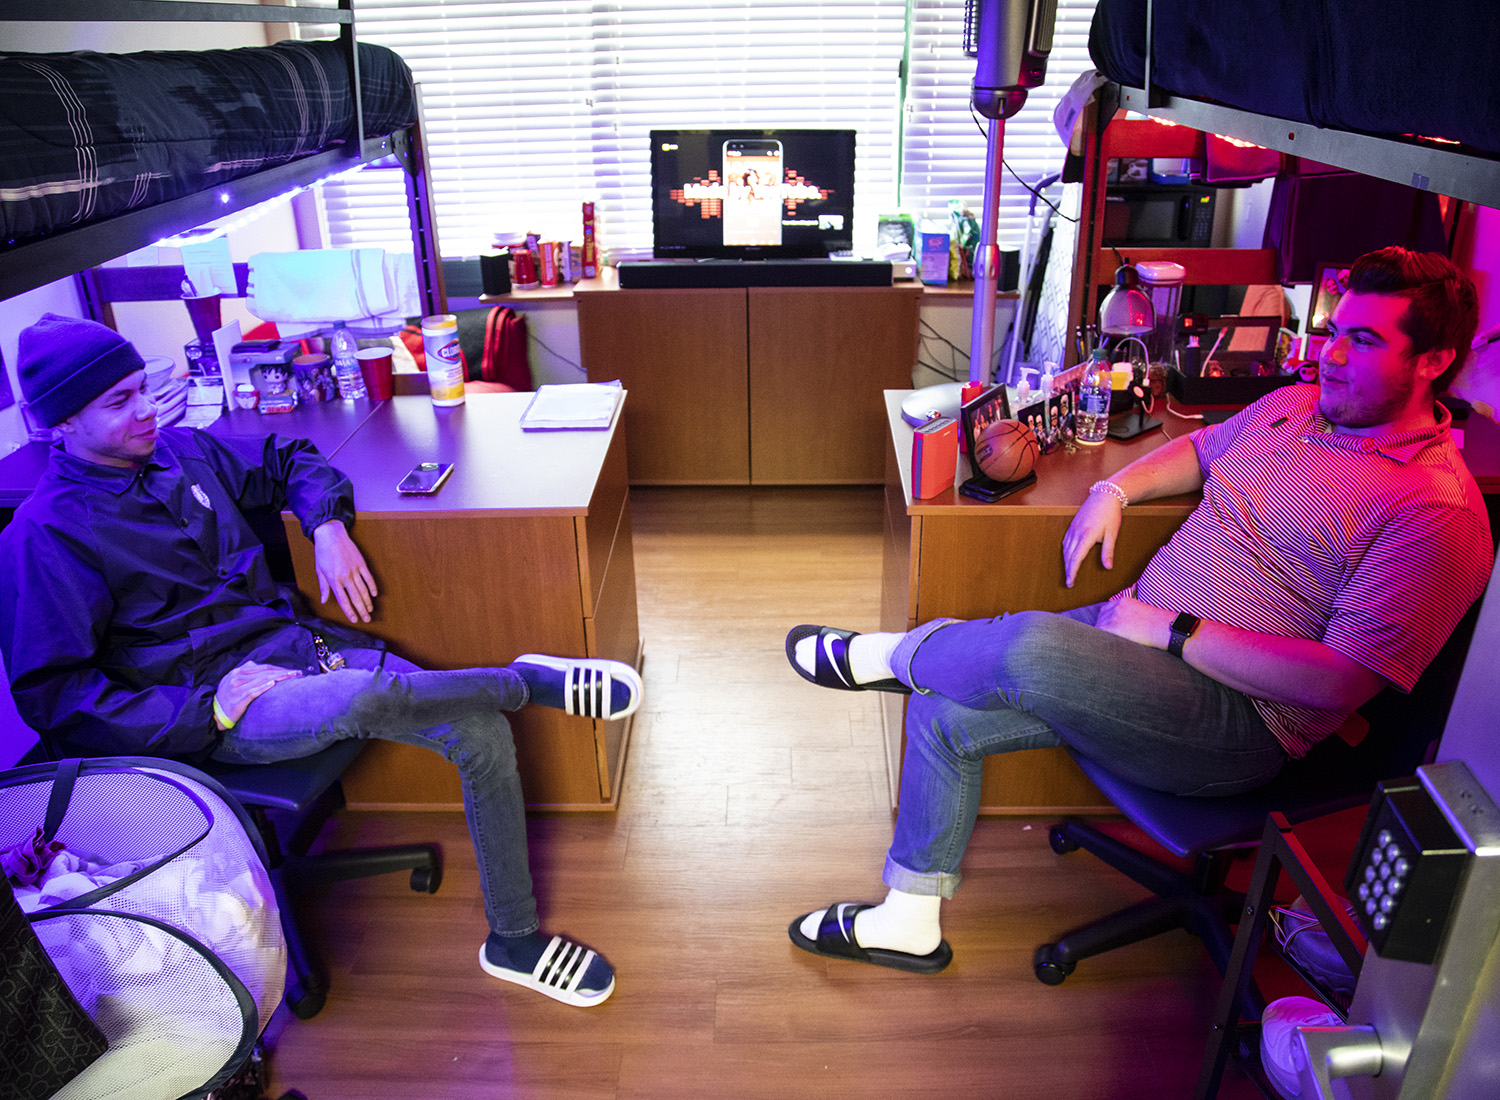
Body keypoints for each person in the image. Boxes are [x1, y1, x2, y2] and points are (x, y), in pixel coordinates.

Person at [783, 247, 1494, 972]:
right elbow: (1200, 452)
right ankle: (909, 920)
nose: (1333, 356)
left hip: (1236, 720)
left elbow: (1339, 682)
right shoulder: (1297, 405)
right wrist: (1113, 491)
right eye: (1336, 331)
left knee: (1025, 644)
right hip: (1134, 643)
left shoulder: (1435, 512)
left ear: (1433, 361)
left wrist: (1171, 629)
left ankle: (882, 658)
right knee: (945, 705)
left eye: (1365, 341)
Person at [0, 313, 642, 1008]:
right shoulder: (43, 535)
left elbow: (289, 458)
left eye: (144, 389)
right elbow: (59, 698)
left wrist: (326, 524)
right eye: (118, 403)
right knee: (365, 697)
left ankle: (512, 941)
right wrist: (204, 709)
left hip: (294, 646)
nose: (146, 411)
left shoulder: (183, 453)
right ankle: (525, 682)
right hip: (213, 704)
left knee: (478, 729)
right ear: (61, 423)